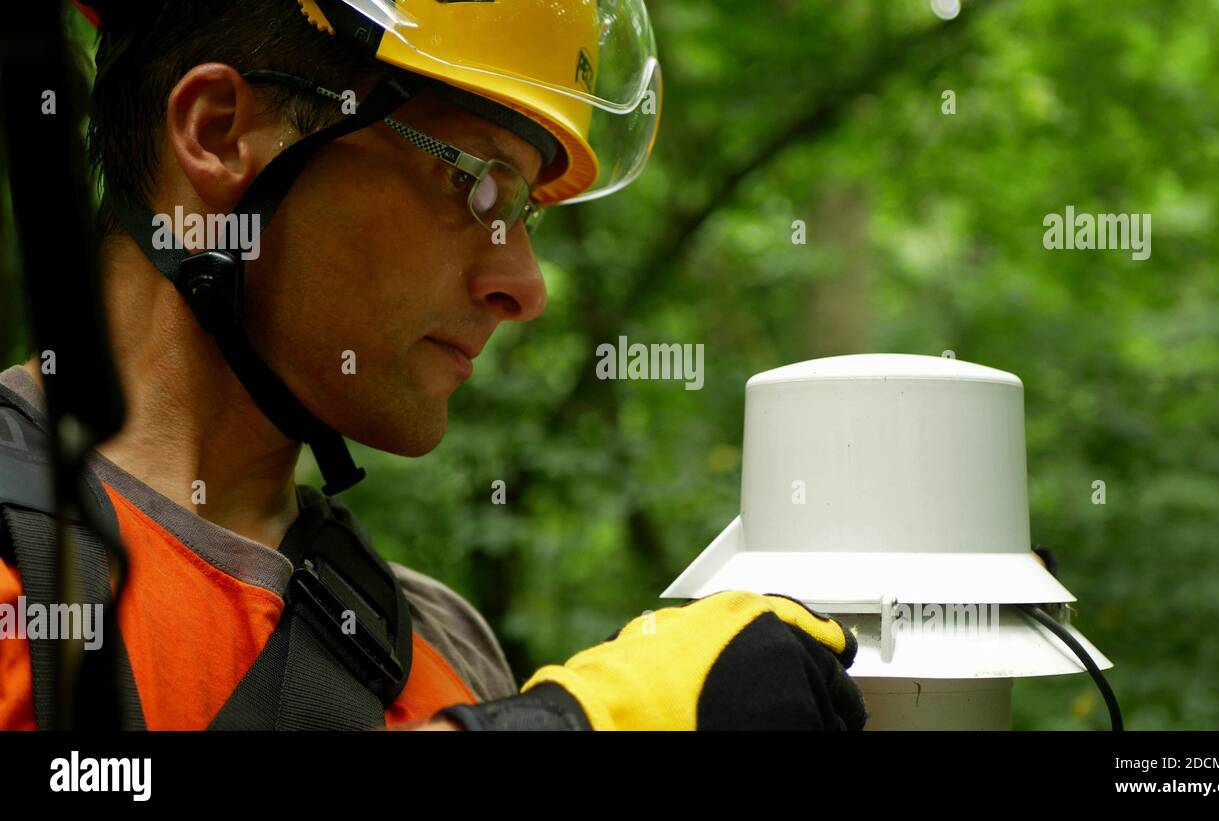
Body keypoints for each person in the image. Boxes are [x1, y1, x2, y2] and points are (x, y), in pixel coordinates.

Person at [0, 0, 865, 731]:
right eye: (478, 185)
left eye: (525, 208)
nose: (527, 287)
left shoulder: (434, 649)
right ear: (221, 133)